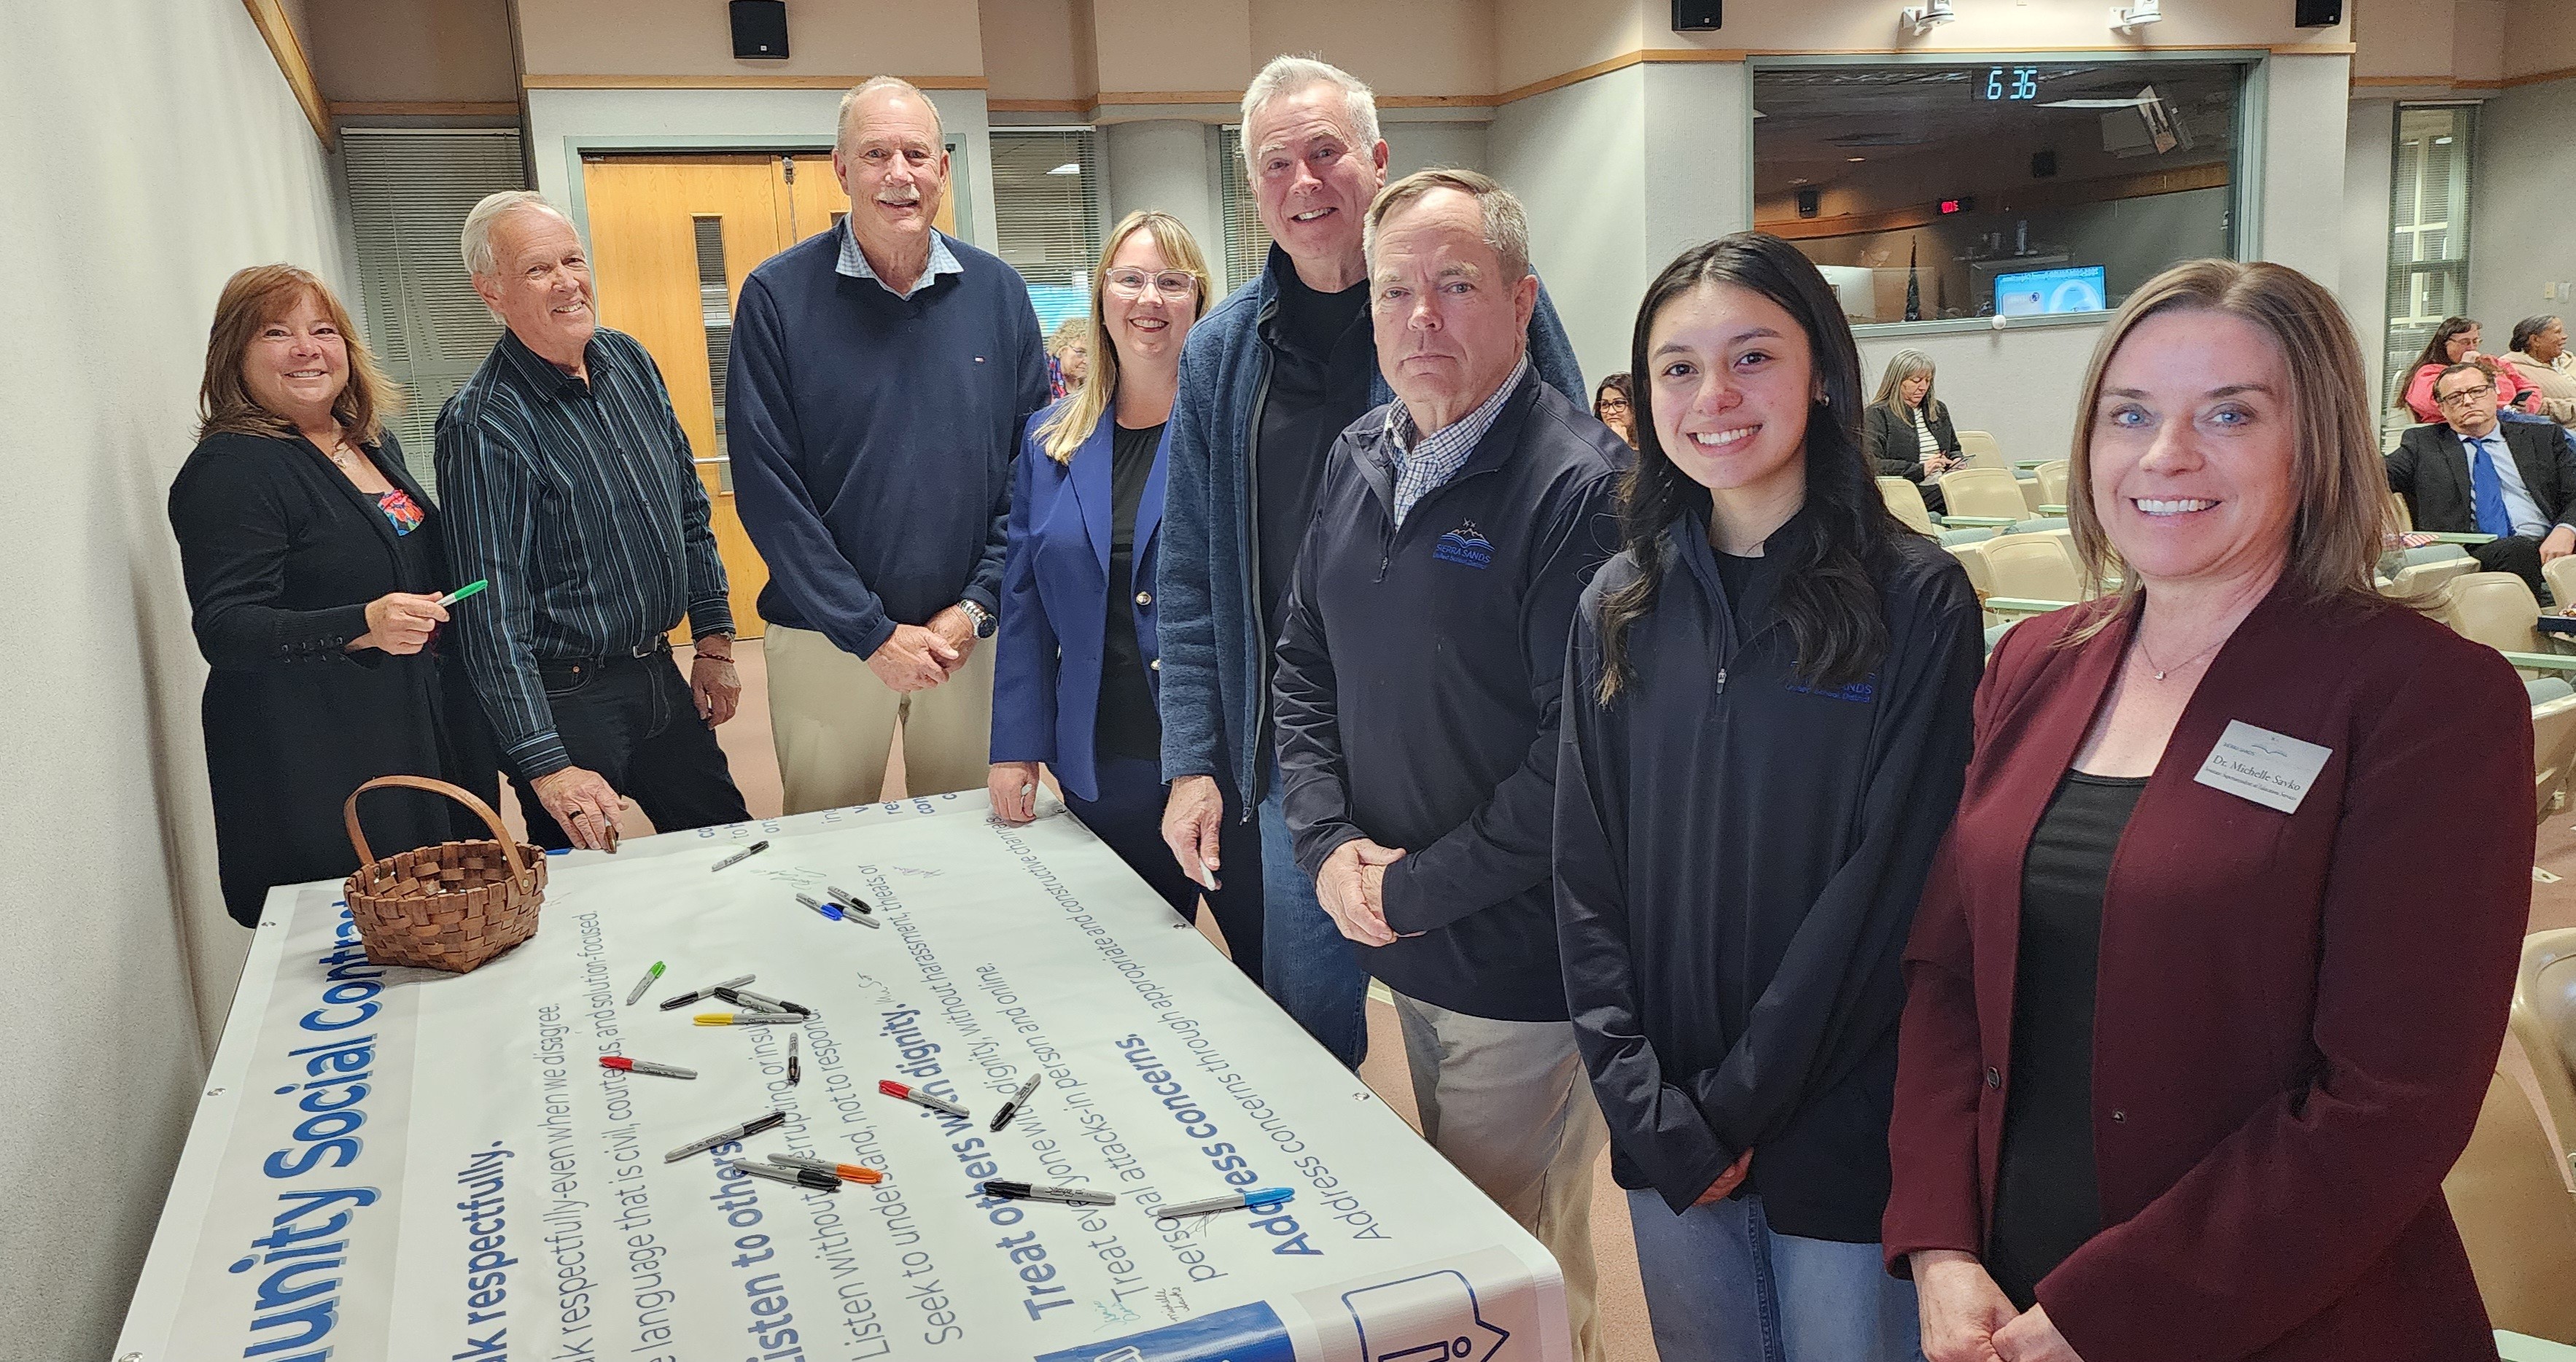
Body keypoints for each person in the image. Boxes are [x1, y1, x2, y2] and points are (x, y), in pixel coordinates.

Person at [1886, 259, 2531, 1362]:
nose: (2163, 455)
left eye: (2229, 414)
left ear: (2313, 442)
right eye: (2129, 413)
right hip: (2011, 1292)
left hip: (2276, 1312)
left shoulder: (2423, 698)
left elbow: (2389, 1102)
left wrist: (2103, 1317)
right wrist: (1942, 1247)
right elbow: (1951, 978)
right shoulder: (2038, 660)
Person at [1553, 233, 1982, 1362]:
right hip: (1663, 1116)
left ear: (1824, 374)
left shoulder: (1916, 600)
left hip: (1840, 1117)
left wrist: (1733, 1110)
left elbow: (1886, 892)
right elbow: (1584, 867)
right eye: (1678, 368)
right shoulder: (1617, 601)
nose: (1714, 396)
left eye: (1753, 356)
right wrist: (1639, 1097)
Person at [1156, 54, 1585, 1067]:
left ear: (1376, 160)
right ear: (1251, 186)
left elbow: (1562, 477)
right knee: (1307, 1045)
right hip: (1297, 765)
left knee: (1477, 1051)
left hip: (1459, 761)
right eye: (1275, 165)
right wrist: (1194, 760)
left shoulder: (1486, 306)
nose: (1303, 185)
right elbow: (1187, 574)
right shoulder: (1222, 354)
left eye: (1325, 153)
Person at [1273, 171, 1627, 1362]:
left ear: (1521, 301)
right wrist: (1326, 849)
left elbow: (1571, 766)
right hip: (1396, 937)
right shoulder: (1357, 454)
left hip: (1516, 969)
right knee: (1472, 1242)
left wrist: (1399, 891)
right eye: (1395, 291)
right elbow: (1302, 663)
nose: (1420, 318)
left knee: (1506, 1264)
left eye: (1455, 286)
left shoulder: (1580, 489)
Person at [728, 76, 1048, 813]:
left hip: (967, 640)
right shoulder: (776, 298)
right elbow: (770, 492)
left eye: (915, 153)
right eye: (875, 154)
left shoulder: (998, 295)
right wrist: (868, 631)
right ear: (841, 169)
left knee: (978, 842)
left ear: (942, 168)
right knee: (830, 851)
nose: (897, 174)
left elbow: (1028, 474)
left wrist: (975, 606)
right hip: (824, 640)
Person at [171, 264, 500, 925]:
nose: (306, 349)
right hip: (317, 760)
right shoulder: (233, 468)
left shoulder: (365, 443)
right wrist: (361, 623)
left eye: (323, 330)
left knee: (443, 926)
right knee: (363, 948)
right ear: (233, 354)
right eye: (276, 332)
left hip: (413, 727)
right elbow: (227, 627)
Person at [987, 211, 1264, 980]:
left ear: (1199, 301)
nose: (1150, 299)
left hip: (1228, 761)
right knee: (1124, 978)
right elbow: (1023, 606)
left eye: (1172, 282)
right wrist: (1015, 743)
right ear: (1102, 296)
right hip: (1104, 759)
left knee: (1276, 979)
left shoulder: (1239, 433)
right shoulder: (1049, 442)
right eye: (1131, 278)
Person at [437, 190, 749, 852]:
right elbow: (490, 612)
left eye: (573, 260)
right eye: (537, 270)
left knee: (729, 849)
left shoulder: (628, 362)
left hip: (658, 674)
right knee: (589, 890)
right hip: (567, 699)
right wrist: (545, 763)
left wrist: (715, 638)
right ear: (491, 293)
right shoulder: (482, 423)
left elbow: (687, 507)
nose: (567, 282)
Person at [2385, 359, 2576, 596]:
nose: (2467, 401)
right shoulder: (2422, 445)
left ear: (2495, 392)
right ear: (2442, 408)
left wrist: (2566, 529)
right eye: (2455, 397)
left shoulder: (2542, 437)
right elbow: (2373, 478)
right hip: (2474, 552)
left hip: (2554, 542)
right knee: (2516, 550)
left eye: (2477, 391)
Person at [1862, 348, 1963, 516]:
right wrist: (1920, 469)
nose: (1923, 387)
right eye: (1916, 381)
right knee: (1957, 495)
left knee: (1983, 487)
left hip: (1942, 482)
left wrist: (1956, 460)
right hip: (1908, 489)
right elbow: (1873, 463)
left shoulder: (1938, 409)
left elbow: (1953, 447)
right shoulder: (1878, 413)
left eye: (1927, 381)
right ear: (1898, 381)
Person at [2397, 316, 2537, 423]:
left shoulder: (2493, 363)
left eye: (2475, 341)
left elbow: (2530, 387)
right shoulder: (2429, 373)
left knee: (2552, 432)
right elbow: (2438, 403)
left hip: (2506, 420)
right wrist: (2464, 369)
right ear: (2445, 344)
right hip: (2455, 430)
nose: (2471, 348)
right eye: (2465, 342)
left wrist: (2527, 405)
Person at [2505, 314, 2576, 428]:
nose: (2565, 336)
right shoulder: (2513, 369)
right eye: (2558, 332)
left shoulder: (2569, 360)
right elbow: (2532, 407)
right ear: (2535, 340)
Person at [1047, 315, 1092, 400]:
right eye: (1080, 352)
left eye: (1092, 355)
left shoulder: (1091, 381)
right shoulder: (1043, 375)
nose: (1087, 361)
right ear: (1061, 349)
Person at [1592, 373, 1638, 448]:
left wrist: (1622, 447)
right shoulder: (1592, 446)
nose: (1611, 412)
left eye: (1619, 403)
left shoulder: (1654, 444)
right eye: (1605, 404)